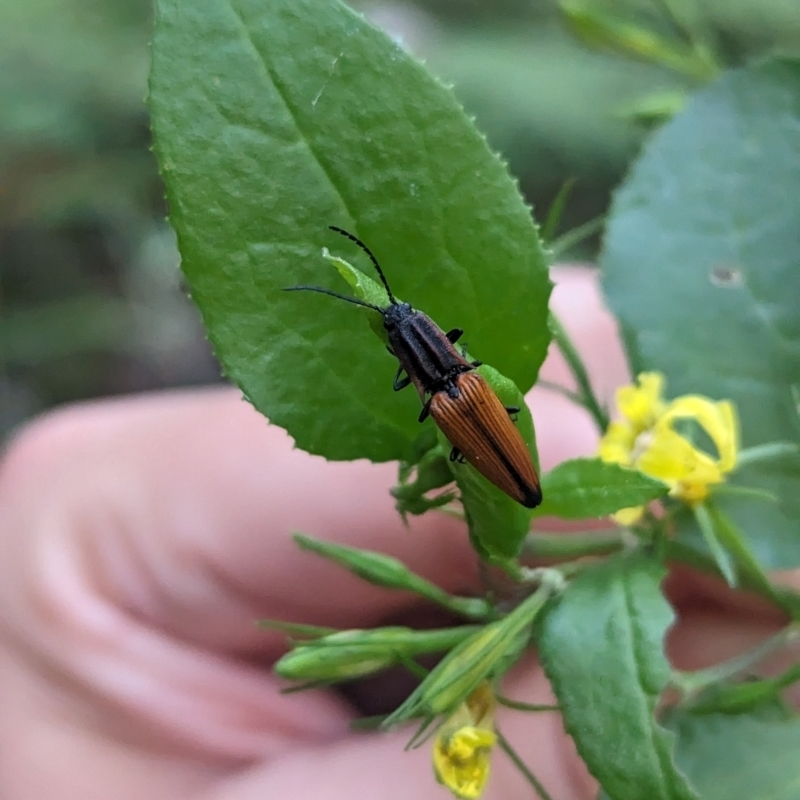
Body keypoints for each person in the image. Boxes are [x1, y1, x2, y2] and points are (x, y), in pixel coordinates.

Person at [0, 271, 785, 799]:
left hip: (485, 438)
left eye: (407, 330)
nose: (407, 332)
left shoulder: (447, 399)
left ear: (419, 351)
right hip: (497, 435)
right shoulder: (470, 384)